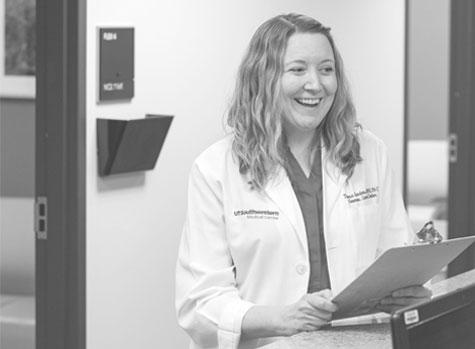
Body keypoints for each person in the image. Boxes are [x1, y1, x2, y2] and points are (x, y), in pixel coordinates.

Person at [175, 13, 432, 349]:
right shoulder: (215, 169)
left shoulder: (369, 152)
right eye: (297, 69)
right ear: (263, 78)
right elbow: (199, 305)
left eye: (326, 69)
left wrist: (405, 292)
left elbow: (393, 256)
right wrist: (283, 318)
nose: (315, 84)